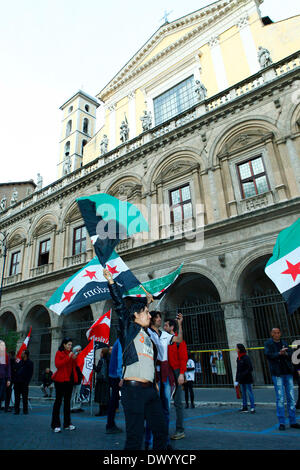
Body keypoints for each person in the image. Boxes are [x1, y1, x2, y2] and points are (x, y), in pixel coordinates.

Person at [103, 268, 168, 451]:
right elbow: (120, 307)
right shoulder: (128, 331)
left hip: (151, 390)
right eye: (147, 313)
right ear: (136, 315)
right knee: (135, 438)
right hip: (134, 391)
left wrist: (147, 300)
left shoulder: (147, 335)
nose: (150, 315)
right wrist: (111, 283)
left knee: (161, 430)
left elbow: (149, 361)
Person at [146, 310, 183, 449]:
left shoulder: (165, 335)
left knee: (166, 408)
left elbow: (179, 340)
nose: (159, 320)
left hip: (165, 373)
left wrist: (179, 324)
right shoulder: (148, 333)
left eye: (160, 318)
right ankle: (149, 442)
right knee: (153, 409)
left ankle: (165, 440)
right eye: (157, 318)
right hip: (154, 373)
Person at [264, 328, 300, 431]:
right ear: (271, 334)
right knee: (280, 398)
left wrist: (286, 354)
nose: (276, 334)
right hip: (277, 374)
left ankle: (293, 421)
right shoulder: (268, 344)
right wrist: (279, 353)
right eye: (274, 333)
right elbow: (268, 355)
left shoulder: (284, 343)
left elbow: (291, 356)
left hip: (287, 373)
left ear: (280, 333)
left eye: (278, 332)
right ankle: (282, 422)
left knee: (291, 398)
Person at [164, 318, 188, 440]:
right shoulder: (166, 340)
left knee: (178, 402)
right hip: (168, 372)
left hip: (177, 371)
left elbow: (184, 358)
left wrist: (182, 374)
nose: (164, 327)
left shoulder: (178, 341)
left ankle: (180, 429)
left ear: (172, 327)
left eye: (166, 325)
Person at [50, 338, 78, 433]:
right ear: (64, 345)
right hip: (60, 380)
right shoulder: (59, 353)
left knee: (67, 403)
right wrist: (68, 357)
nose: (70, 346)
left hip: (69, 380)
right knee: (58, 402)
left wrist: (75, 358)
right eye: (69, 345)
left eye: (71, 345)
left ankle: (67, 424)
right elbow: (58, 365)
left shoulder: (70, 353)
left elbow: (74, 365)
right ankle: (55, 425)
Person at [106, 338, 123, 433]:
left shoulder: (117, 341)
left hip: (113, 374)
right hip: (116, 375)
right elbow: (120, 358)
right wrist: (121, 376)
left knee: (114, 399)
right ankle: (110, 424)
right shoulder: (121, 341)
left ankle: (110, 424)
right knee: (114, 400)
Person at [234, 343, 255, 414]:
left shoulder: (246, 357)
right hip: (241, 379)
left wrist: (243, 374)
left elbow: (250, 368)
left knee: (249, 392)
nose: (235, 349)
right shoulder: (238, 358)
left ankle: (252, 407)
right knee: (243, 393)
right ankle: (244, 406)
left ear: (239, 349)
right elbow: (238, 369)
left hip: (247, 378)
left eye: (236, 348)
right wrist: (236, 379)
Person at [14, 349, 33, 415]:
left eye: (22, 353)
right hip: (17, 382)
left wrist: (27, 382)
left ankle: (25, 410)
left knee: (25, 397)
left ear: (25, 355)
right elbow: (15, 370)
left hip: (24, 383)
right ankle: (16, 410)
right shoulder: (19, 362)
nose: (21, 354)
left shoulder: (30, 363)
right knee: (17, 397)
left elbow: (30, 373)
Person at [94, 347, 110, 416]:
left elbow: (97, 369)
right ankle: (106, 410)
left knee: (100, 396)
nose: (100, 354)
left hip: (101, 380)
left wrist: (93, 365)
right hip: (106, 380)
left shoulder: (101, 360)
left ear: (103, 353)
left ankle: (101, 411)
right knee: (105, 396)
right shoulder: (108, 360)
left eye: (101, 352)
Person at [71, 345, 84, 413]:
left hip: (80, 377)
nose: (80, 351)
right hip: (75, 378)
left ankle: (78, 406)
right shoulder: (73, 358)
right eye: (78, 350)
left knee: (79, 392)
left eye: (80, 350)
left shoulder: (81, 357)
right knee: (74, 393)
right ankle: (73, 407)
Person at [0, 340, 11, 411]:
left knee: (1, 394)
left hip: (2, 378)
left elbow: (8, 368)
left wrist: (9, 379)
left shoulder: (5, 356)